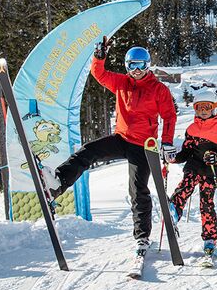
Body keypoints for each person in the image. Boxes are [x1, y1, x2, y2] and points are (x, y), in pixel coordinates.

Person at [42, 39, 177, 259]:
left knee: (137, 188)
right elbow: (99, 73)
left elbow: (169, 116)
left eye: (141, 65)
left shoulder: (158, 89)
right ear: (126, 66)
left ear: (148, 65)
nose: (137, 70)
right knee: (89, 151)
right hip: (121, 138)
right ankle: (58, 183)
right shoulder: (122, 83)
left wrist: (167, 141)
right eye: (132, 65)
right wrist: (99, 55)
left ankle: (142, 237)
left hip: (144, 146)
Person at [169, 90, 217, 257]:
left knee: (206, 202)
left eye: (207, 107)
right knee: (186, 185)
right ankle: (174, 209)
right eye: (199, 108)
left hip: (210, 171)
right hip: (194, 166)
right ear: (195, 109)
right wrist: (174, 158)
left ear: (213, 108)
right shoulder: (191, 128)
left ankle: (210, 238)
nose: (203, 111)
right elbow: (186, 152)